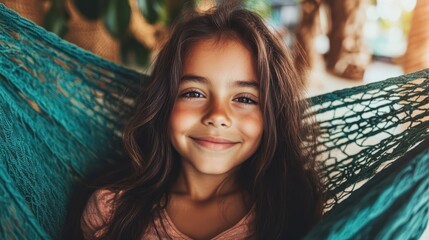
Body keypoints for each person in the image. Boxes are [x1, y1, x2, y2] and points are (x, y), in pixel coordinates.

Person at [80, 3, 324, 239]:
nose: (217, 116)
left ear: (272, 114)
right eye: (194, 93)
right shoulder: (111, 212)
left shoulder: (293, 214)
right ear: (163, 104)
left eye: (245, 98)